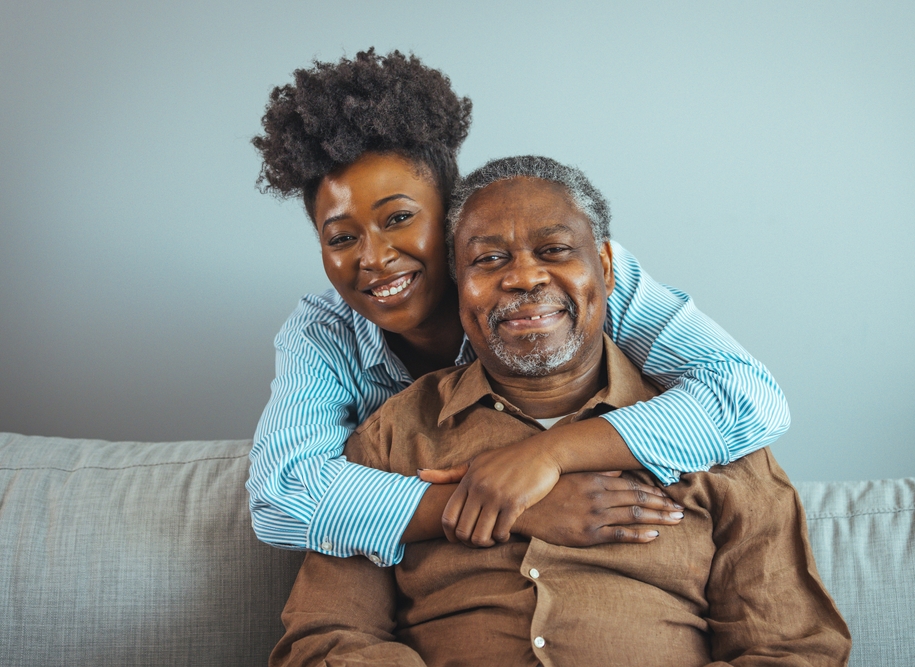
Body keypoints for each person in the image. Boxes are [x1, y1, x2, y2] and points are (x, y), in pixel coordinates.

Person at [269, 156, 851, 666]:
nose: (523, 276)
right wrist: (496, 506)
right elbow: (327, 633)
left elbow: (792, 650)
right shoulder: (390, 438)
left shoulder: (717, 435)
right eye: (489, 258)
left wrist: (548, 456)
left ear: (606, 266)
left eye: (554, 251)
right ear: (459, 276)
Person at [248, 50, 790, 565]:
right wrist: (514, 503)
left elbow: (747, 396)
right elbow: (280, 498)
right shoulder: (323, 332)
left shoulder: (575, 278)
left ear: (456, 217)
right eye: (341, 238)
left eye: (398, 219)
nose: (374, 258)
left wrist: (549, 456)